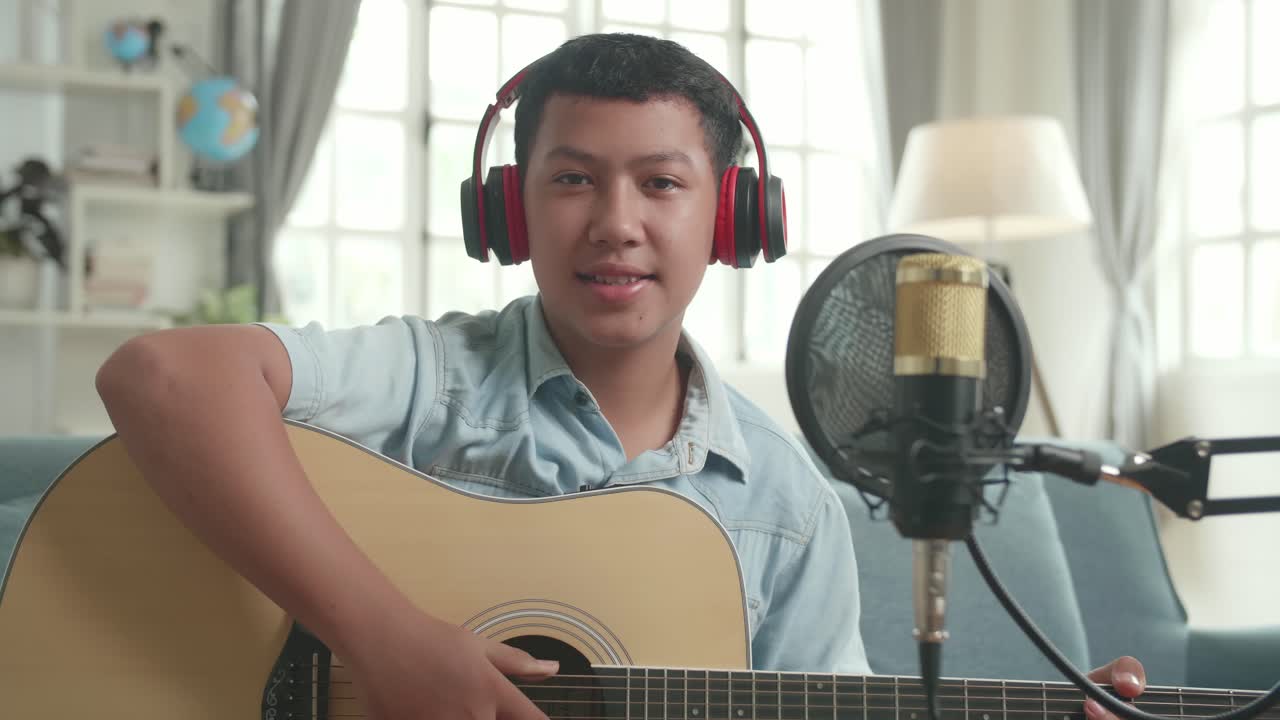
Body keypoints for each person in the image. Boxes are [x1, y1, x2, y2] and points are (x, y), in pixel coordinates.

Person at [96, 32, 1147, 720]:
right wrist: (383, 635)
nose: (614, 224)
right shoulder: (427, 377)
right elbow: (163, 374)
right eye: (570, 180)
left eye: (660, 183)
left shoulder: (782, 509)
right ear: (507, 212)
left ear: (729, 216)